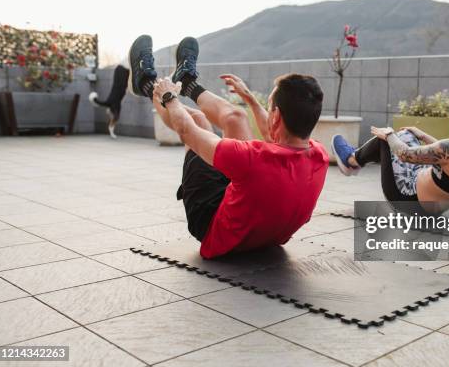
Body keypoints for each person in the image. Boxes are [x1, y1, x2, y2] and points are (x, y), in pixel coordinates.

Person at [128, 35, 328, 258]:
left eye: (270, 106)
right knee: (236, 116)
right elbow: (272, 131)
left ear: (277, 116)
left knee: (197, 122)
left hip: (213, 225)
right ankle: (187, 81)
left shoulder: (253, 158)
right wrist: (250, 99)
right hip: (261, 229)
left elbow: (187, 132)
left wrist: (168, 95)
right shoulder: (319, 154)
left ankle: (146, 83)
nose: (268, 110)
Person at [331, 90, 449, 213]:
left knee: (389, 141)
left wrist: (389, 135)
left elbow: (404, 155)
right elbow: (448, 159)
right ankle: (355, 159)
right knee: (407, 135)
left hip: (406, 201)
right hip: (431, 209)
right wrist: (422, 135)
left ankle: (351, 161)